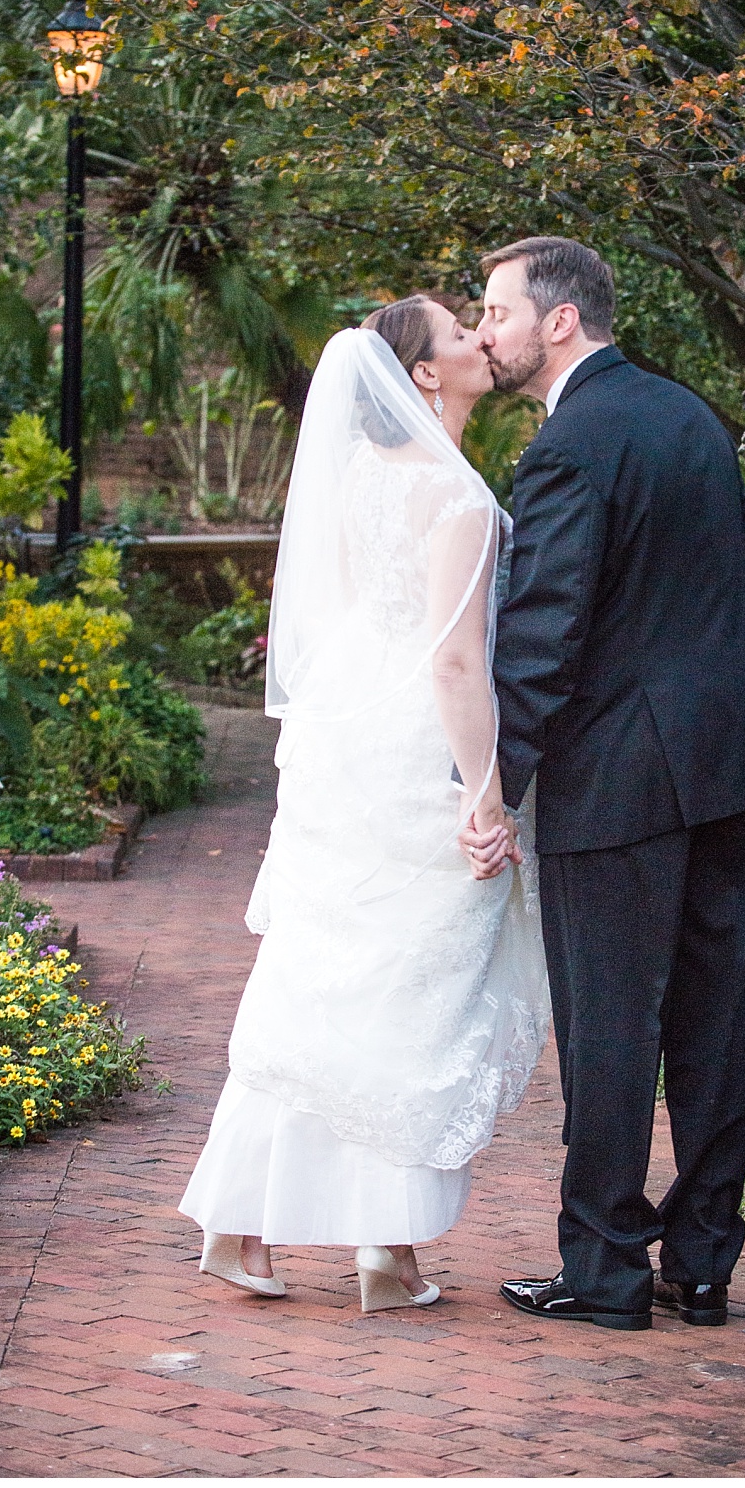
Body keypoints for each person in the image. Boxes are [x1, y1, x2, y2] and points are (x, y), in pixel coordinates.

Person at [179, 301, 549, 1313]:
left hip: (341, 752)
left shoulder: (347, 487)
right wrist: (485, 797)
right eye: (460, 333)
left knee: (319, 980)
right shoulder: (458, 497)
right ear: (425, 377)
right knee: (415, 996)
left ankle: (237, 1220)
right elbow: (455, 658)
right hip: (421, 750)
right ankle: (385, 1253)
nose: (481, 338)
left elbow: (342, 628)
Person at [470, 235, 745, 1334]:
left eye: (499, 310)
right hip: (731, 765)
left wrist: (495, 781)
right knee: (711, 1015)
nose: (487, 332)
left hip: (619, 775)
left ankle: (606, 1269)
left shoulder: (572, 442)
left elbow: (545, 625)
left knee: (611, 1023)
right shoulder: (688, 413)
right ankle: (702, 1263)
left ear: (560, 318)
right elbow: (738, 580)